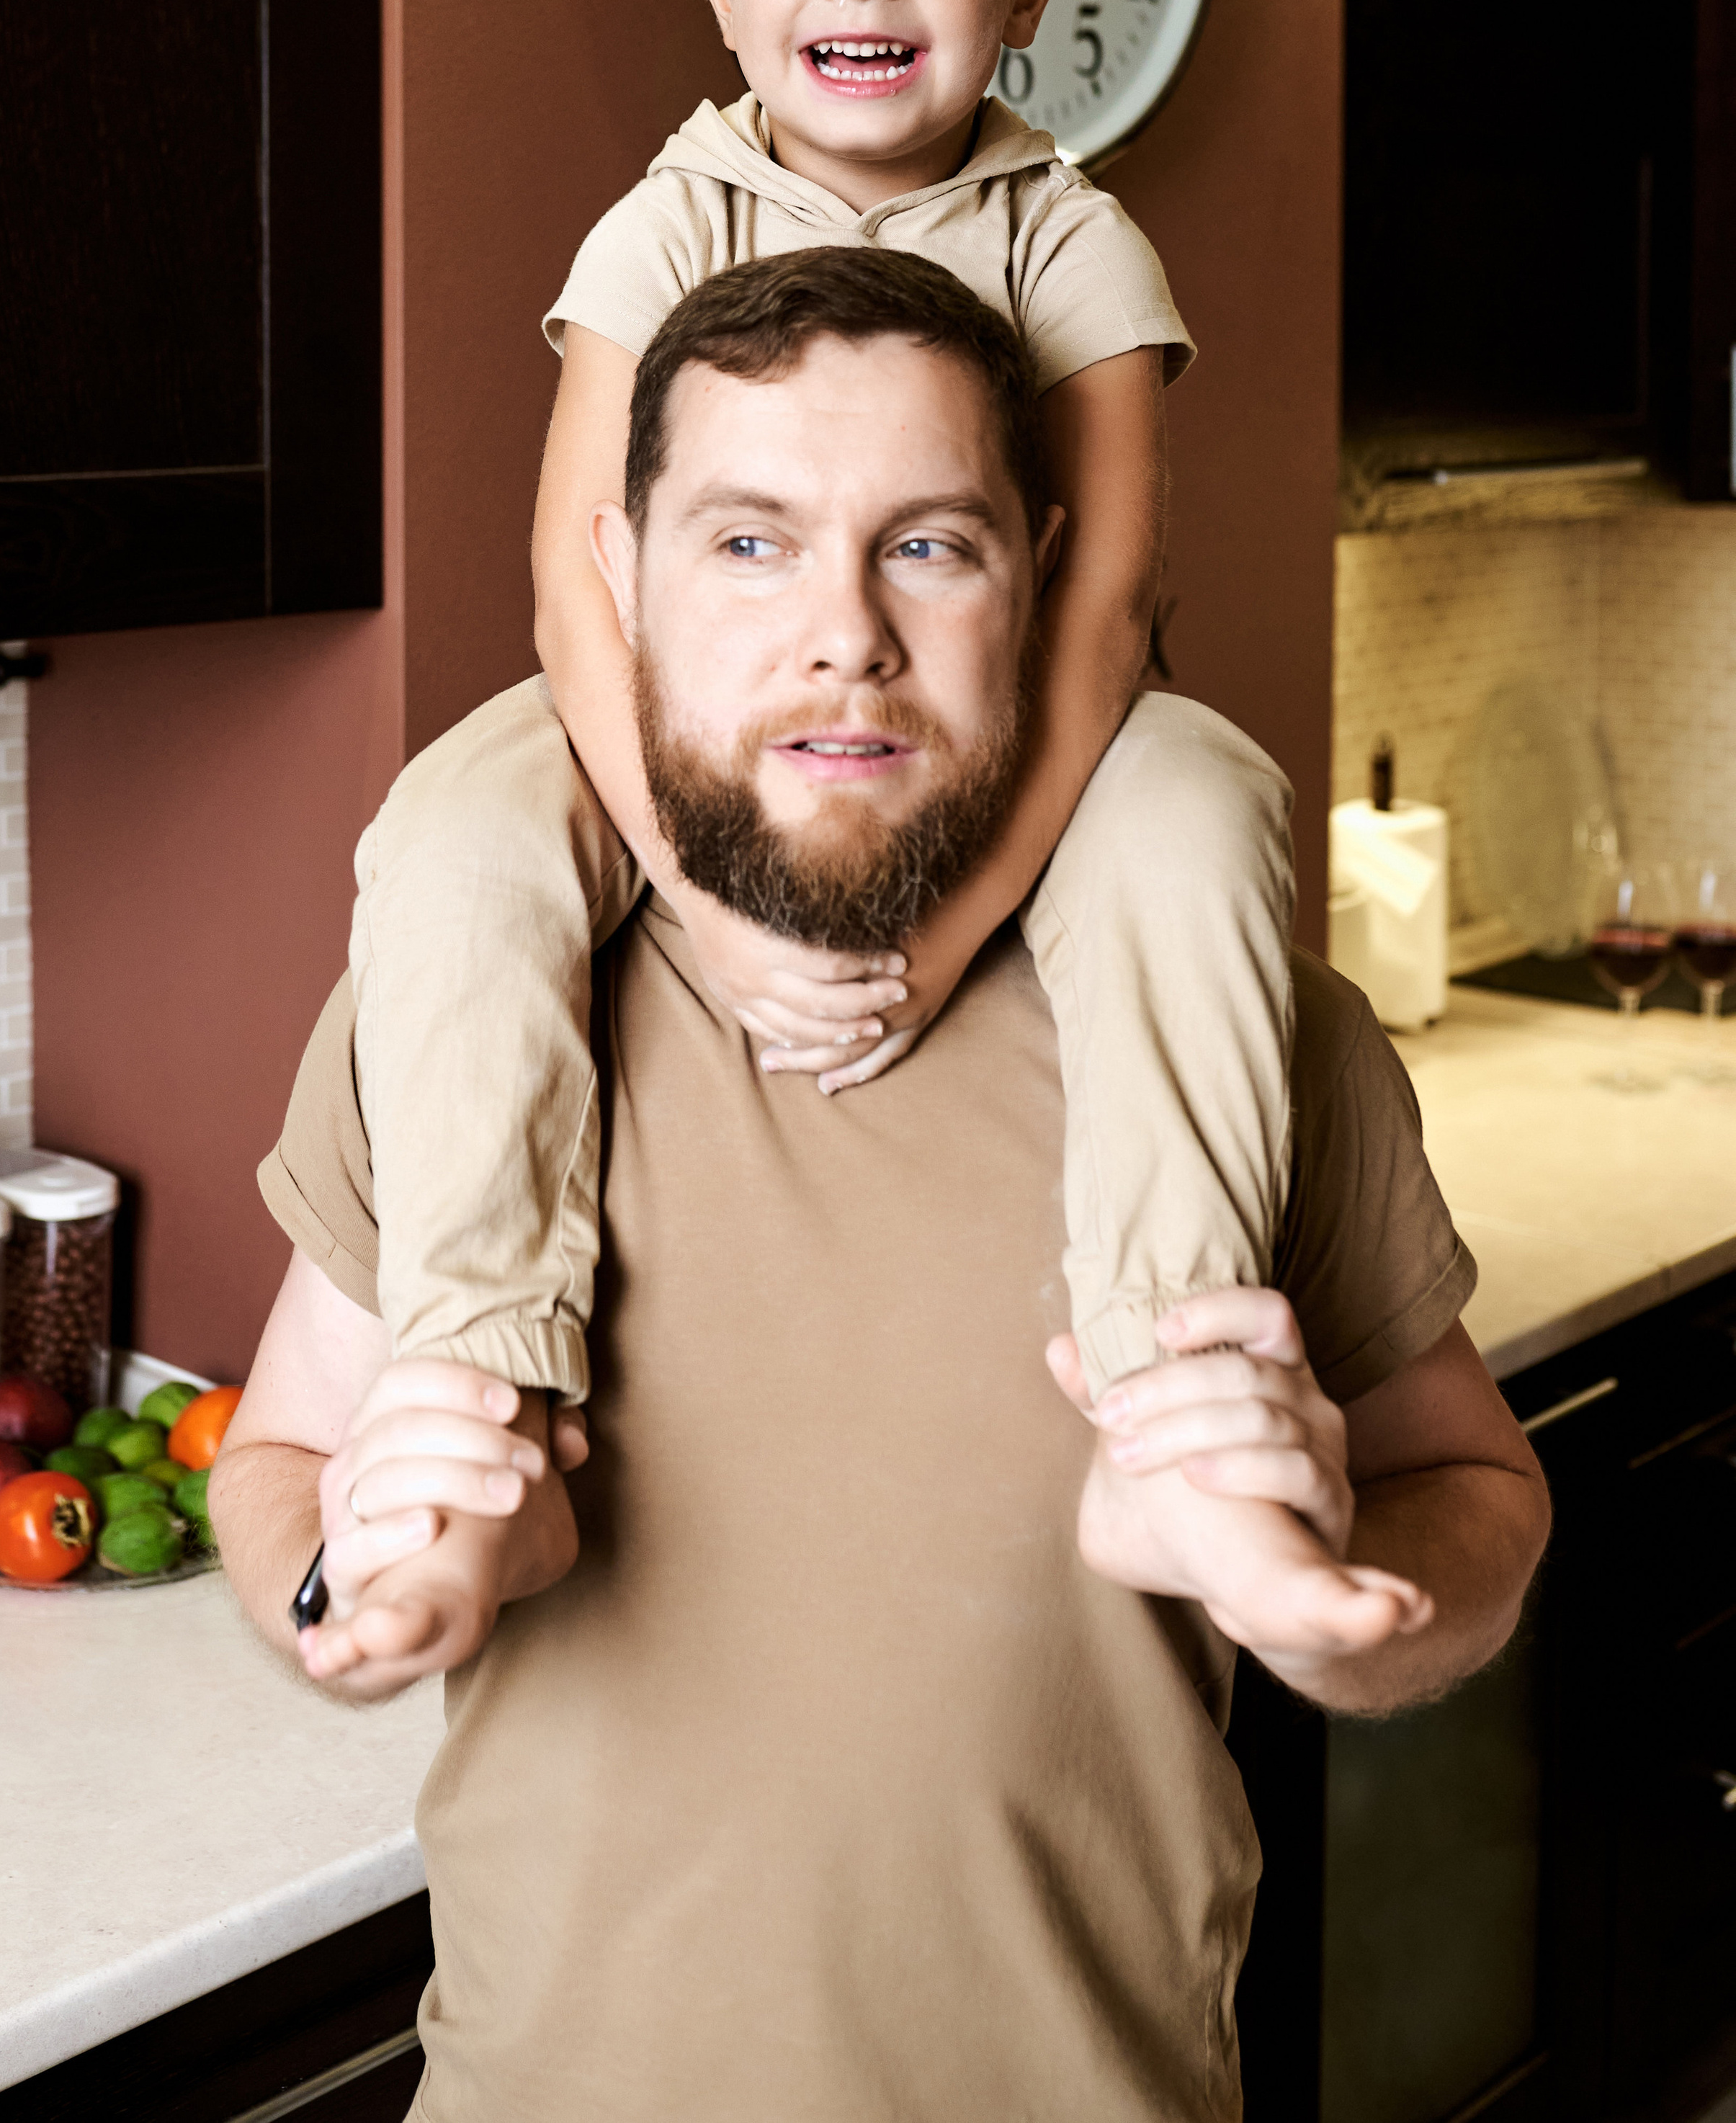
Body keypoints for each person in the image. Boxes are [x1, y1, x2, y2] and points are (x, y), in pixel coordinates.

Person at [212, 251, 1549, 2123]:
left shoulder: (1244, 1032)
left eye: (928, 544)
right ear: (623, 583)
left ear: (1046, 579)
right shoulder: (469, 1014)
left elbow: (1479, 1486)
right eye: (749, 543)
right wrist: (346, 1580)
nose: (843, 628)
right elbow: (279, 1456)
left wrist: (1355, 1579)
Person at [350, 0, 1302, 1642]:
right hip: (692, 724)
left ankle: (1171, 1415)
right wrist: (705, 899)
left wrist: (937, 949)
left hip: (1014, 718)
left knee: (1210, 811)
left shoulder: (1071, 239)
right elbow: (571, 574)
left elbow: (1106, 607)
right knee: (449, 833)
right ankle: (483, 1407)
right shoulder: (663, 218)